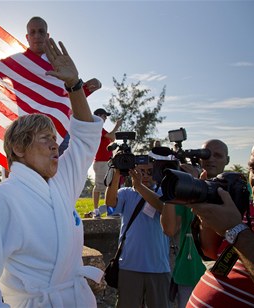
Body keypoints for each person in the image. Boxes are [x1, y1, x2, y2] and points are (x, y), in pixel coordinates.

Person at [0, 38, 104, 307]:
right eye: (45, 138)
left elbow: (85, 138)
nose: (55, 144)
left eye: (54, 138)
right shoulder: (3, 199)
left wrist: (75, 86)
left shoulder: (61, 180)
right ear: (18, 147)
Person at [186, 133, 254, 307]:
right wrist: (206, 213)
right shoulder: (253, 217)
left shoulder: (241, 224)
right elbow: (212, 253)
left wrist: (235, 229)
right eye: (253, 168)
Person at [160, 139, 230, 308]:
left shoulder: (236, 186)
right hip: (188, 275)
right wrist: (173, 187)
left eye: (218, 155)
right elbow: (169, 229)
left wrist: (198, 183)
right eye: (206, 154)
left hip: (224, 277)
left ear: (227, 161)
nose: (211, 159)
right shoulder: (189, 188)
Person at [26, 16, 102, 157]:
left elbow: (68, 94)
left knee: (62, 174)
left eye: (41, 31)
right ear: (27, 36)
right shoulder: (18, 63)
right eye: (33, 32)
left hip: (60, 131)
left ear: (47, 35)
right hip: (27, 133)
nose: (37, 36)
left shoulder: (60, 62)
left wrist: (87, 86)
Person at [105, 159, 171, 308]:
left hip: (158, 267)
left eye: (150, 172)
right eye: (141, 172)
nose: (145, 176)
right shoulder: (127, 193)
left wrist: (140, 187)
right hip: (129, 266)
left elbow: (162, 207)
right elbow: (110, 203)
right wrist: (117, 173)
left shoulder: (164, 193)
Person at [92, 108, 122, 218]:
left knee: (109, 186)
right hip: (101, 162)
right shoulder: (96, 127)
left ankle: (109, 210)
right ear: (99, 115)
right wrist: (117, 126)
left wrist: (113, 131)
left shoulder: (101, 128)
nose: (106, 118)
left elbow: (112, 138)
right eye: (105, 116)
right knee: (99, 187)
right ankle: (97, 211)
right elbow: (111, 136)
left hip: (106, 162)